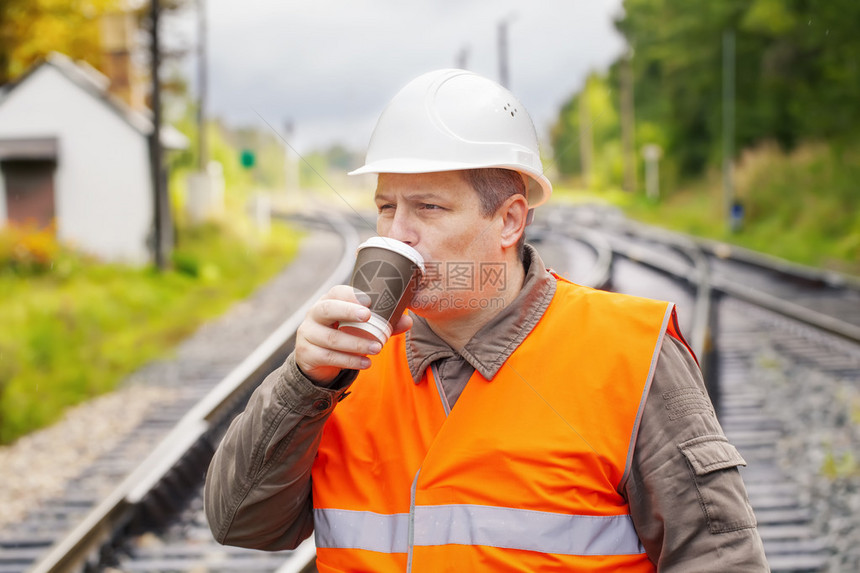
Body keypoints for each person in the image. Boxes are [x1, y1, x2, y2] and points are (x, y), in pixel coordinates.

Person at [204, 69, 768, 572]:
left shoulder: (630, 352)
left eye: (428, 207)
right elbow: (241, 524)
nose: (396, 232)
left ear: (509, 221)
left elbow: (720, 559)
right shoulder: (344, 364)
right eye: (385, 206)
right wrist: (304, 383)